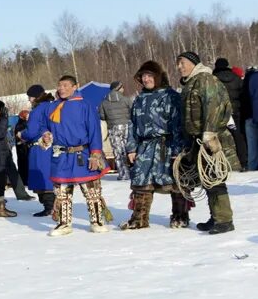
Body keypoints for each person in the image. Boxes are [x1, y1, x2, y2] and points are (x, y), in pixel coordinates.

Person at [20, 75, 110, 236]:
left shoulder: (85, 105)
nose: (62, 88)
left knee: (92, 191)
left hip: (83, 153)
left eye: (66, 85)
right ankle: (64, 223)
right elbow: (42, 126)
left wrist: (95, 154)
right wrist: (45, 133)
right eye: (60, 85)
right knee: (62, 193)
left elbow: (94, 131)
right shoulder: (52, 107)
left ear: (75, 87)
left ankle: (96, 221)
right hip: (61, 155)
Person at [176, 52, 240, 234]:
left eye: (183, 63)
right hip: (198, 140)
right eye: (178, 64)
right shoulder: (191, 82)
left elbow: (213, 106)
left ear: (193, 63)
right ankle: (216, 217)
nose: (180, 67)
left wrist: (209, 134)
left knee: (215, 178)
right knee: (207, 179)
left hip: (210, 138)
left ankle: (224, 220)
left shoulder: (204, 79)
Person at [122, 61, 187, 229]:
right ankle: (139, 219)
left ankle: (180, 216)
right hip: (144, 146)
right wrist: (131, 148)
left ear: (158, 77)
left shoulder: (171, 96)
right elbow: (132, 125)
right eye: (143, 76)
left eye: (150, 76)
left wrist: (178, 149)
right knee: (141, 182)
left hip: (168, 144)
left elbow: (179, 124)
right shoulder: (139, 99)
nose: (146, 79)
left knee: (175, 182)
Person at [21, 85, 57, 217]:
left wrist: (22, 134)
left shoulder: (37, 110)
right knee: (51, 174)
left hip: (40, 146)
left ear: (35, 97)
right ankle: (54, 203)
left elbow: (31, 132)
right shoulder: (53, 106)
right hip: (54, 145)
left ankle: (48, 206)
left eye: (30, 97)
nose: (29, 100)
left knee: (42, 175)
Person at [212, 57, 248, 167]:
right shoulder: (237, 78)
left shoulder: (214, 79)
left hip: (222, 113)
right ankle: (243, 161)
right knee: (238, 136)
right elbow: (243, 95)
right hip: (236, 111)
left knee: (222, 138)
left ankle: (224, 163)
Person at [99, 81, 133, 180]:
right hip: (127, 126)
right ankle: (133, 172)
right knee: (130, 150)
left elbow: (102, 116)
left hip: (113, 128)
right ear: (119, 88)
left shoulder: (104, 102)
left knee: (118, 152)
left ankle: (123, 174)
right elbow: (132, 112)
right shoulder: (126, 100)